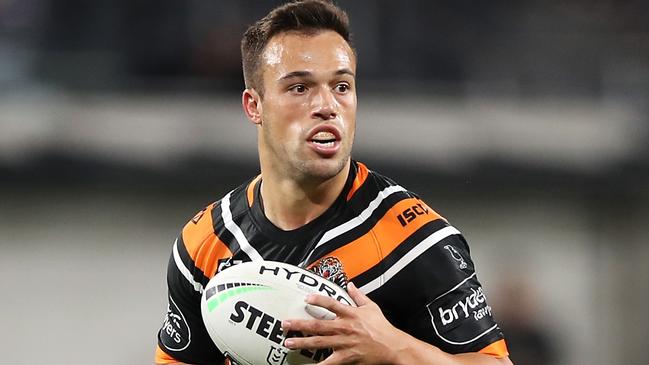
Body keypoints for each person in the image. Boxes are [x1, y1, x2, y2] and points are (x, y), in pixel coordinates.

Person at [155, 1, 513, 364]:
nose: (327, 105)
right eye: (299, 88)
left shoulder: (415, 241)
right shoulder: (204, 246)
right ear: (254, 106)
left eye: (341, 86)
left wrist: (393, 348)